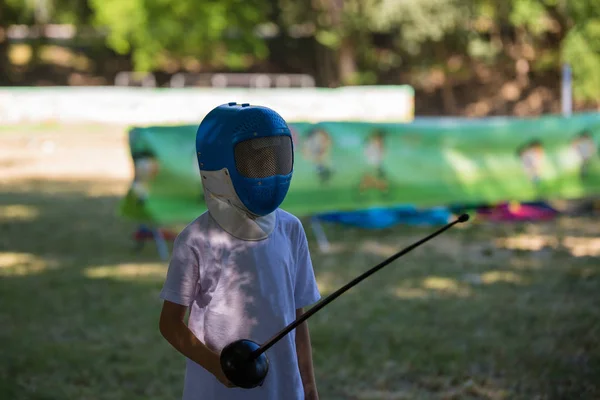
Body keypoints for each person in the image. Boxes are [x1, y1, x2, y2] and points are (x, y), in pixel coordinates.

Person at [158, 102, 321, 400]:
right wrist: (216, 366)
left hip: (283, 389)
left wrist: (308, 387)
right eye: (255, 163)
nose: (266, 173)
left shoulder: (290, 229)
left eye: (272, 160)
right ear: (220, 167)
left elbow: (298, 319)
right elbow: (169, 323)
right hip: (217, 391)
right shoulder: (196, 239)